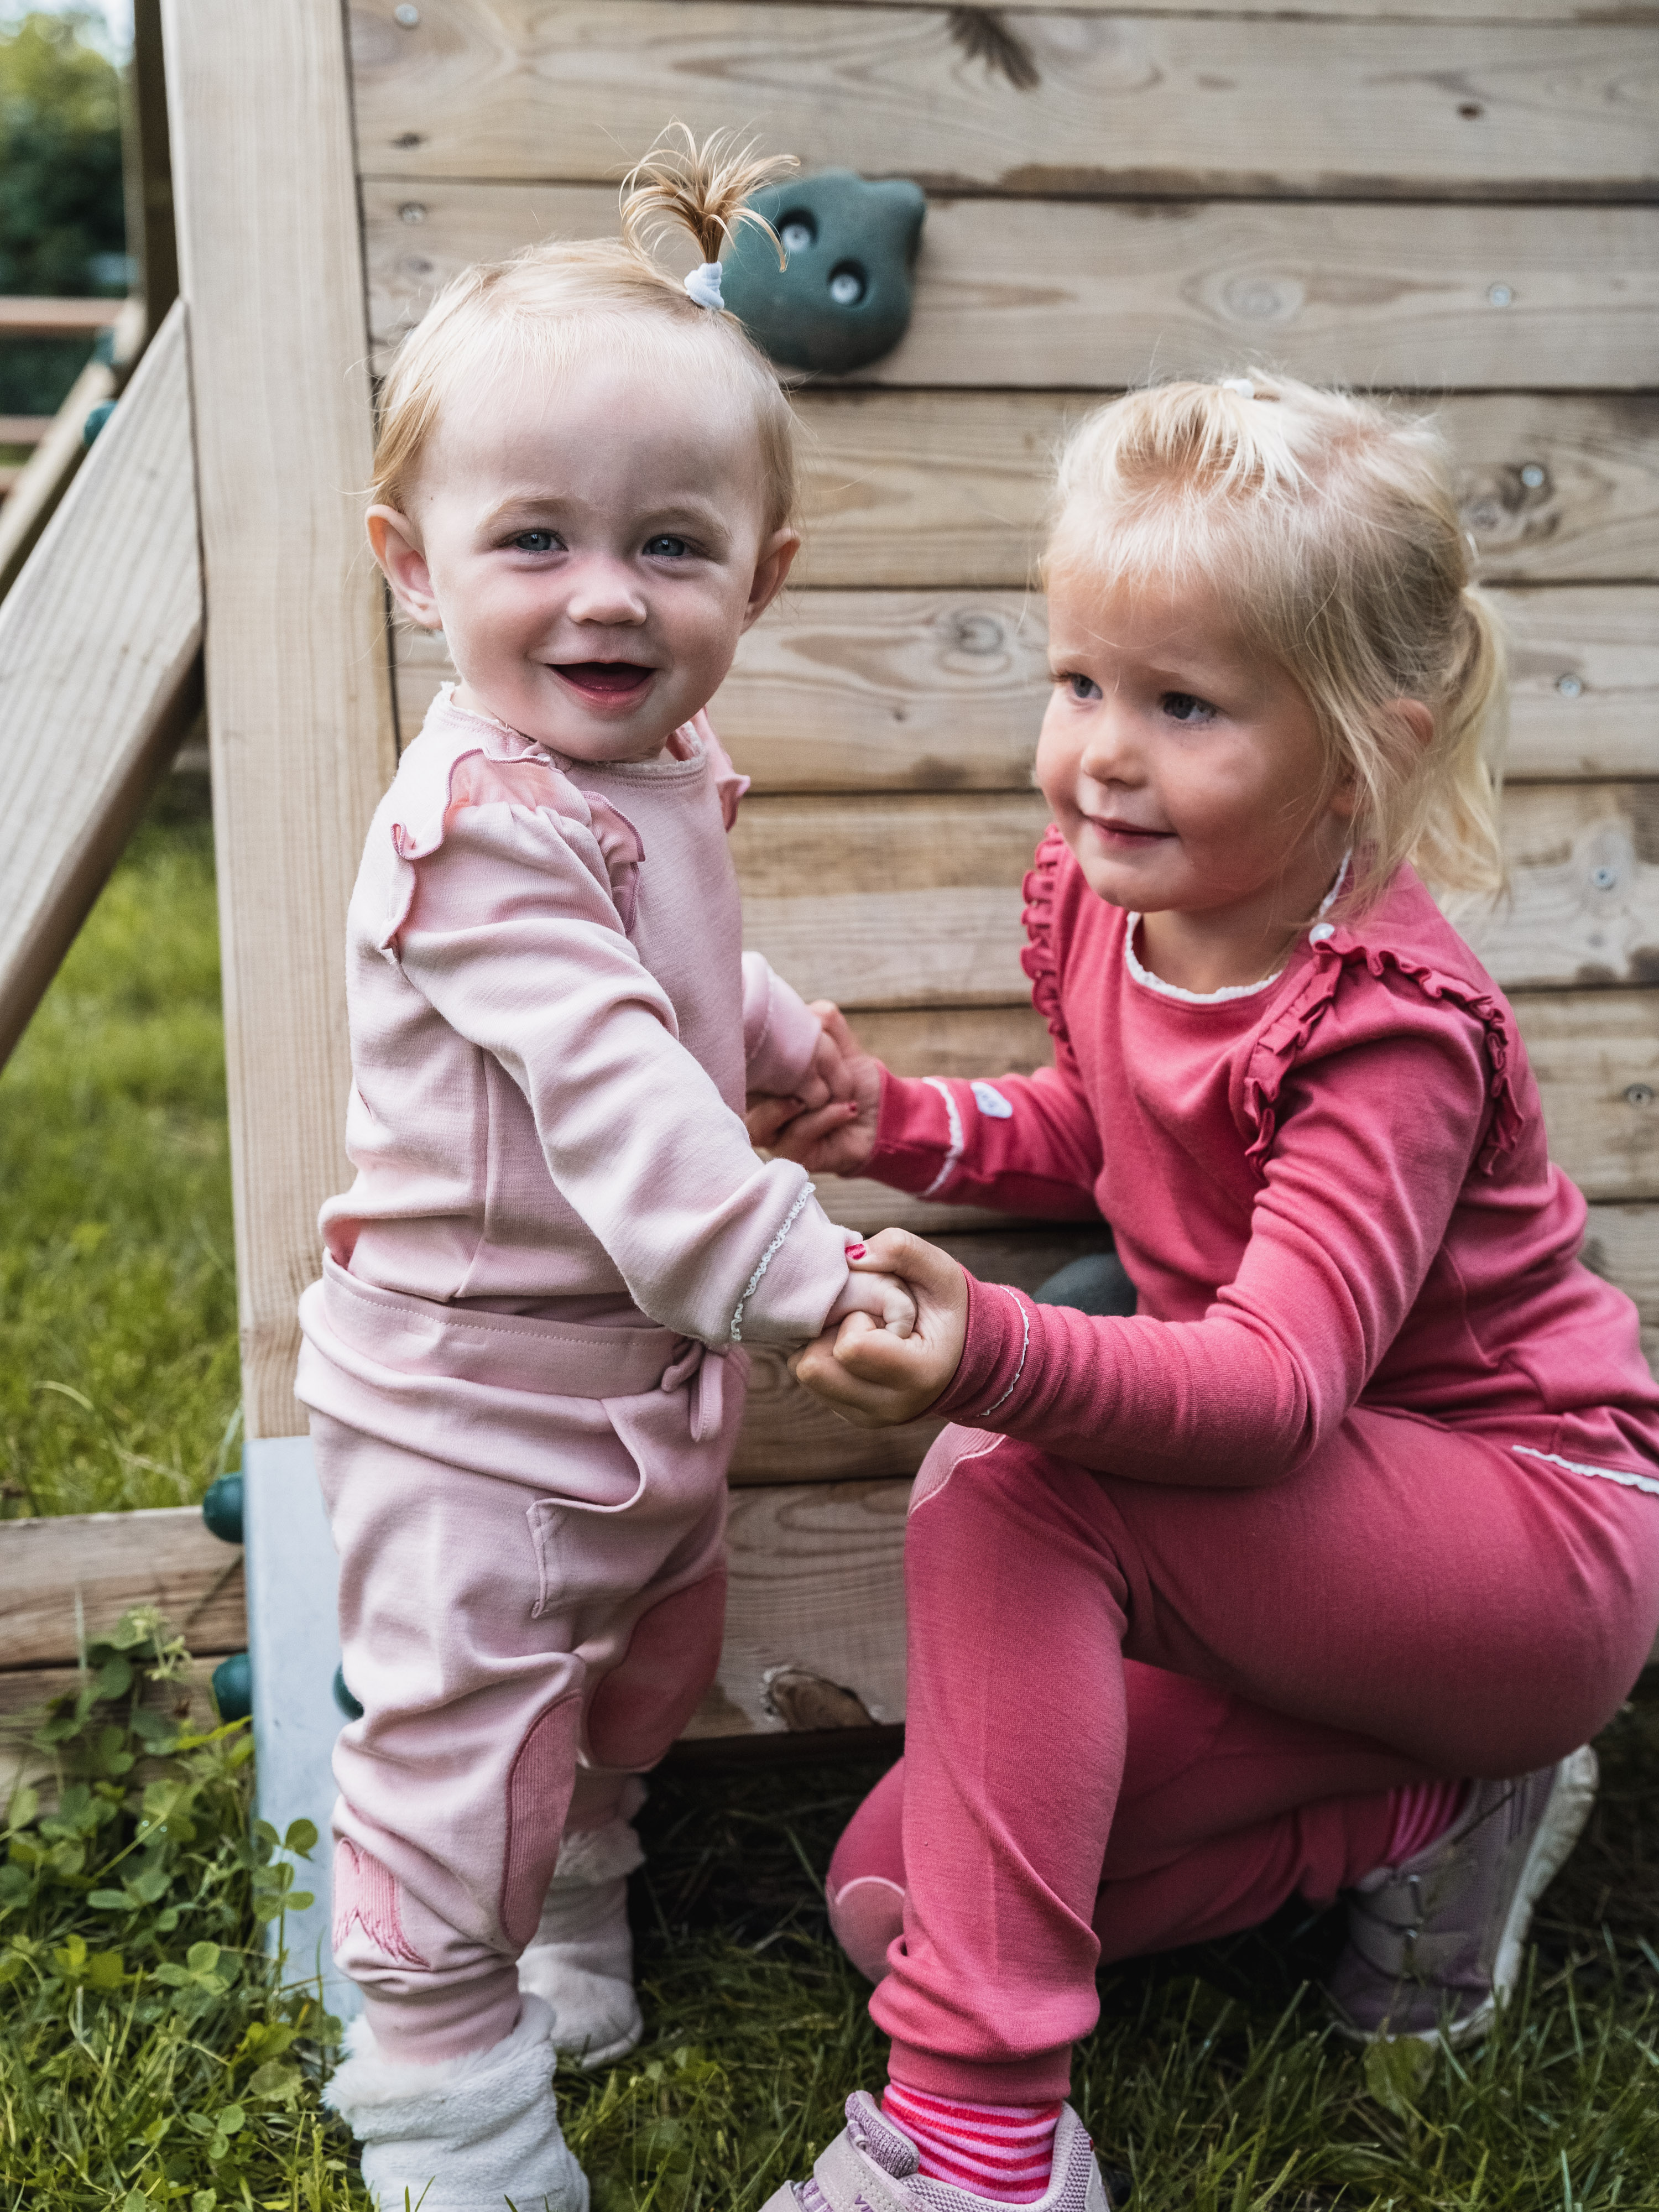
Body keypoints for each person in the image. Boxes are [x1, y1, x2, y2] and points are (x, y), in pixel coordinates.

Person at [752, 375, 1659, 2212]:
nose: (1103, 749)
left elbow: (1266, 1393)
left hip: (1527, 1536)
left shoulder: (1385, 1029)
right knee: (895, 1895)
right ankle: (1420, 1807)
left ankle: (980, 2140)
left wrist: (991, 1352)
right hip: (1325, 1584)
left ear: (1360, 752)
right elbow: (1111, 1129)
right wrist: (896, 1124)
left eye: (1186, 706)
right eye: (1081, 682)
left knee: (1014, 1473)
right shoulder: (1118, 903)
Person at [300, 132, 914, 2212]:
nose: (604, 594)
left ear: (765, 574)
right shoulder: (476, 821)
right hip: (470, 1403)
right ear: (413, 560)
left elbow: (672, 971)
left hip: (637, 1397)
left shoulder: (645, 775)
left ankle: (570, 1914)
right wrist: (788, 1255)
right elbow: (603, 1076)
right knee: (468, 1739)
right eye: (535, 537)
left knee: (636, 1680)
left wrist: (782, 1034)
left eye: (670, 544)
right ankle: (437, 2086)